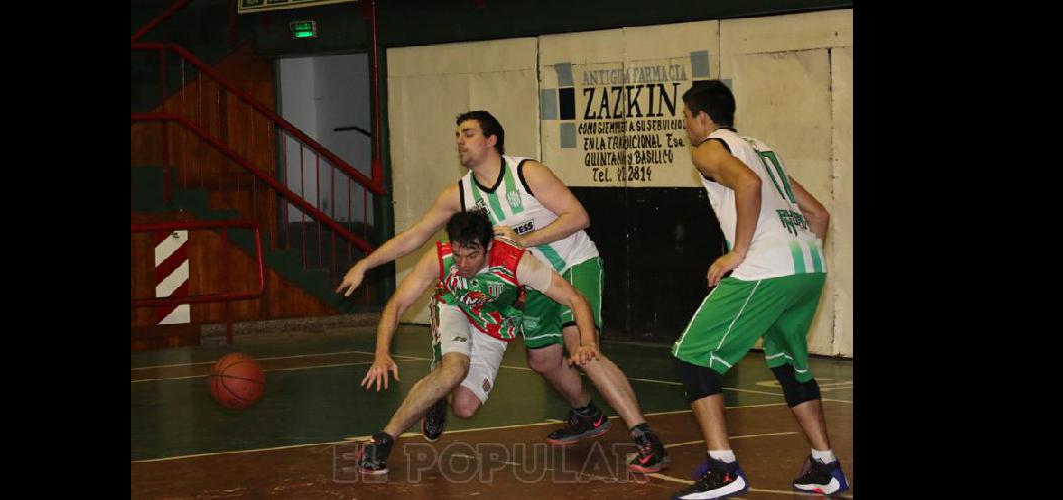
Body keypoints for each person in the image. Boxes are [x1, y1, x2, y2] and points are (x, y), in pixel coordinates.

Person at [339, 110, 667, 472]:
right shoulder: (459, 193)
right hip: (529, 278)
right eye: (457, 134)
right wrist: (366, 264)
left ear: (491, 140)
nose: (460, 141)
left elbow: (579, 217)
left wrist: (524, 240)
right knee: (542, 360)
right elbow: (415, 236)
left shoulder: (528, 173)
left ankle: (644, 436)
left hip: (572, 262)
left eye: (468, 133)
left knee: (580, 346)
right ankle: (586, 414)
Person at [669, 80, 848, 498]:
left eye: (685, 118)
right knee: (788, 364)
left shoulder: (710, 148)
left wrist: (738, 252)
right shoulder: (761, 149)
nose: (686, 128)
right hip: (808, 265)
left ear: (701, 117)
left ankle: (723, 467)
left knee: (693, 356)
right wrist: (793, 264)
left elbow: (747, 186)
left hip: (766, 266)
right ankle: (825, 464)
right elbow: (817, 214)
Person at [356, 211, 602, 474]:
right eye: (458, 254)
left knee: (465, 406)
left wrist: (587, 340)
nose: (462, 264)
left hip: (493, 325)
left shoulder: (516, 263)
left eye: (472, 256)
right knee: (454, 368)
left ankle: (438, 397)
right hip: (454, 307)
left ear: (488, 247)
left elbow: (575, 298)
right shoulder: (441, 257)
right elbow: (398, 304)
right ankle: (382, 440)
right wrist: (382, 352)